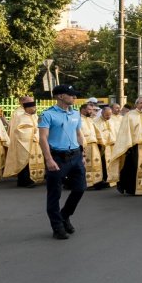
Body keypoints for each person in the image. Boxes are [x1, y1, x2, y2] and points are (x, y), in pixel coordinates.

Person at [35, 85, 85, 239]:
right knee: (54, 193)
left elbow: (79, 134)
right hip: (57, 158)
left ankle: (64, 215)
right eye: (71, 95)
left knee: (80, 189)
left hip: (76, 156)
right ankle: (57, 226)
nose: (74, 98)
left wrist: (83, 154)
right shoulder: (47, 114)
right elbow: (43, 138)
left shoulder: (76, 113)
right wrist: (48, 159)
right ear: (61, 96)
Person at [110, 97, 142, 196]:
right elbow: (124, 132)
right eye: (141, 103)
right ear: (136, 104)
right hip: (134, 146)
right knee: (131, 168)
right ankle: (130, 188)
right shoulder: (129, 115)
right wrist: (127, 146)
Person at [79, 101, 108, 189]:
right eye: (89, 109)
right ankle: (87, 183)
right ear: (83, 110)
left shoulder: (90, 120)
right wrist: (81, 145)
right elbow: (78, 133)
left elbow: (97, 132)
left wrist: (101, 142)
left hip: (94, 145)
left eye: (92, 110)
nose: (91, 111)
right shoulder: (78, 119)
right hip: (84, 145)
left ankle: (96, 181)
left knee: (96, 163)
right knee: (86, 165)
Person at [92, 105, 119, 188]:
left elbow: (116, 131)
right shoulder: (95, 121)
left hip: (112, 145)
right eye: (107, 114)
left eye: (110, 114)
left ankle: (114, 179)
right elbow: (96, 134)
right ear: (102, 113)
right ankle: (105, 179)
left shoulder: (113, 121)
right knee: (103, 164)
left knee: (113, 163)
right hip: (102, 146)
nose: (108, 116)